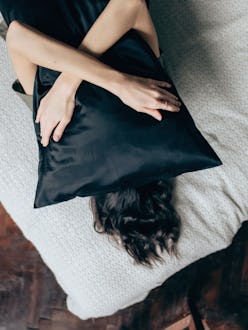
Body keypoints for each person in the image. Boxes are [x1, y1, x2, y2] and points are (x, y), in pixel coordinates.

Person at [1, 0, 181, 267]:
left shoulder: (56, 126)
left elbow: (17, 35)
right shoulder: (151, 101)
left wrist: (74, 85)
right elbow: (131, 3)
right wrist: (110, 82)